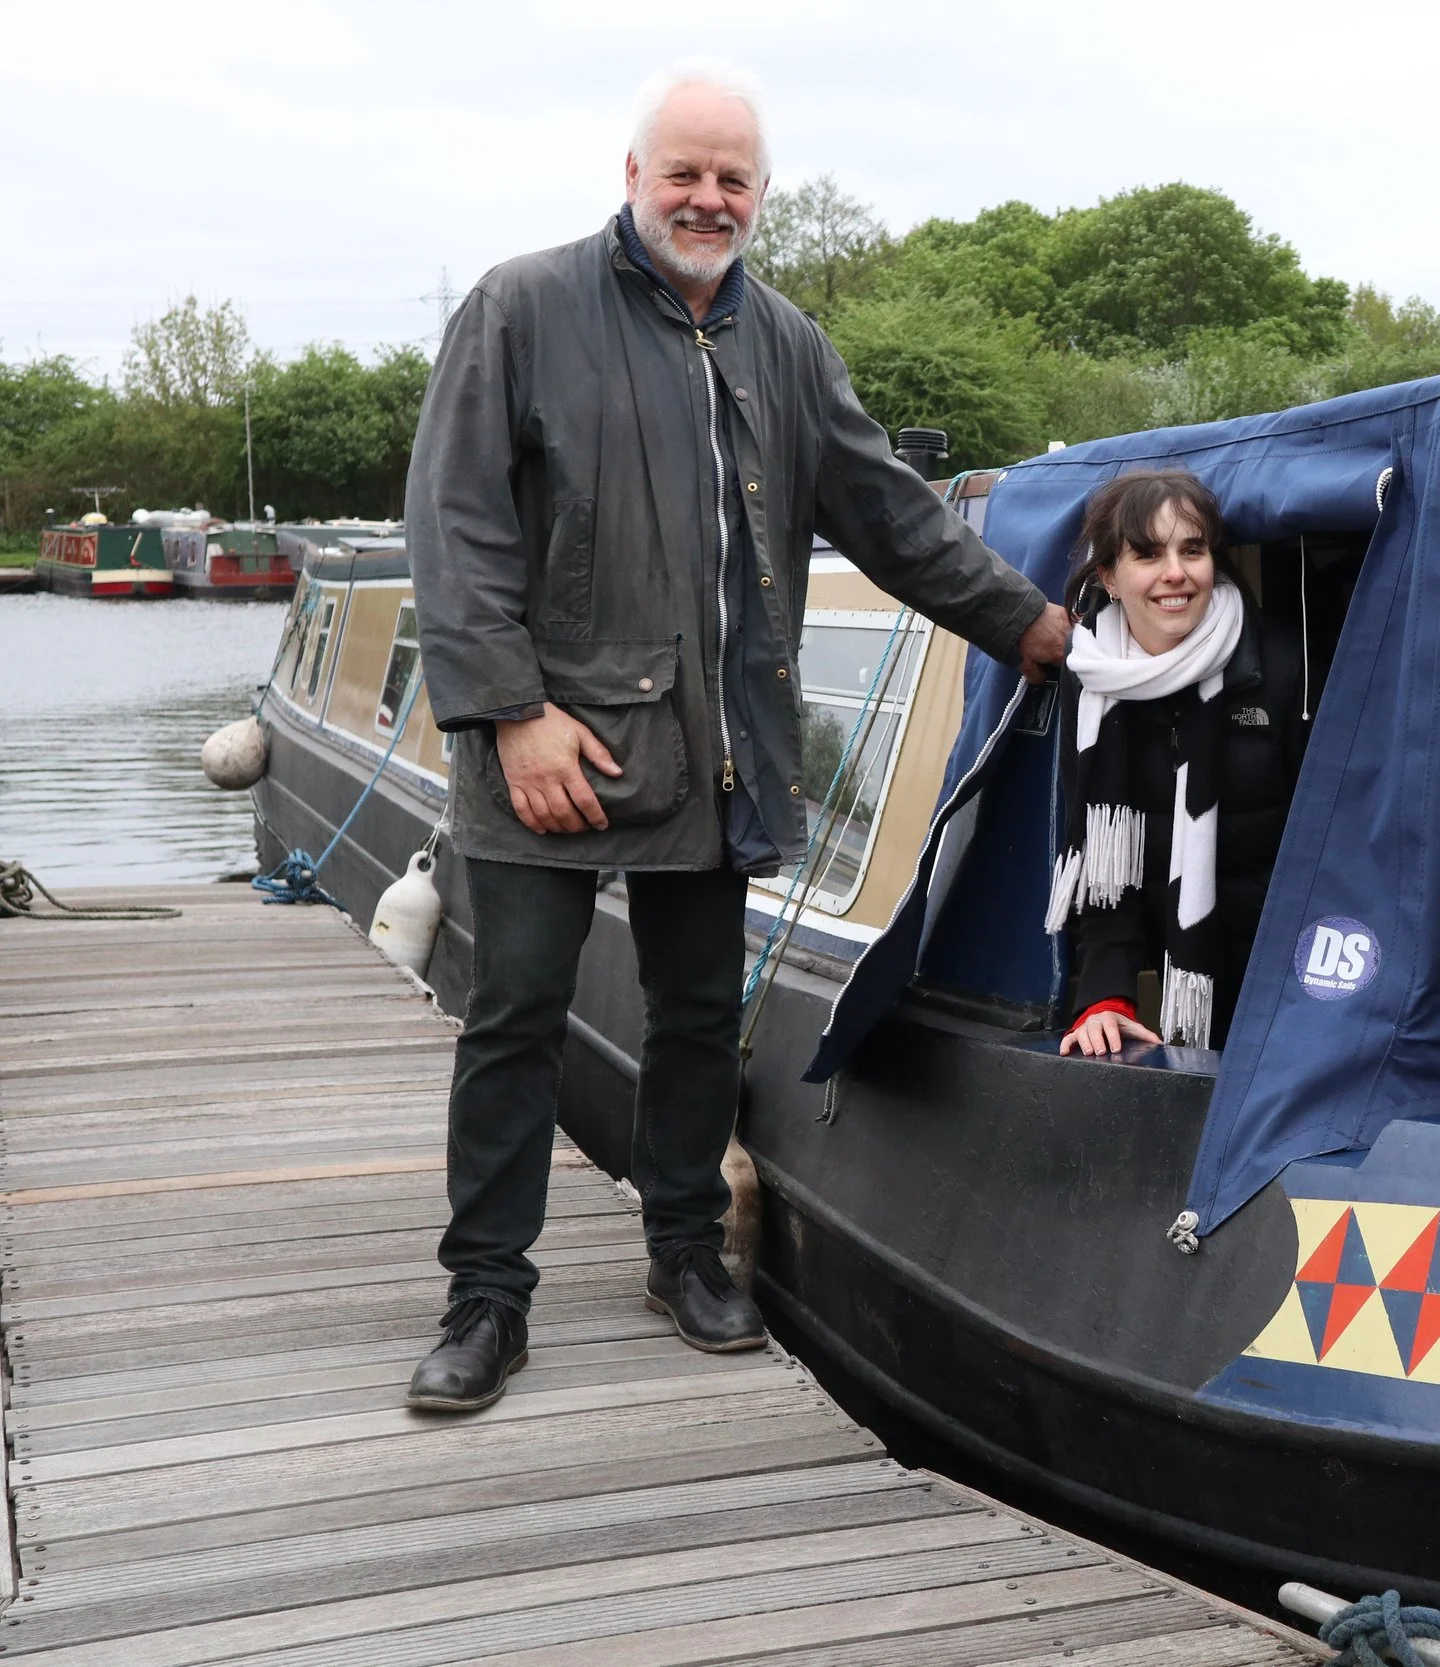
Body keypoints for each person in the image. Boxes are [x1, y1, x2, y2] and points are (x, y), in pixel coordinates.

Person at [401, 60, 1070, 1412]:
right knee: (517, 1014)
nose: (709, 198)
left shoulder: (790, 344)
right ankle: (485, 1294)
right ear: (633, 177)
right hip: (547, 745)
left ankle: (681, 1249)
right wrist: (513, 714)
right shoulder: (519, 307)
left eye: (734, 179)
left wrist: (1043, 632)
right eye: (686, 173)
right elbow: (455, 523)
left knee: (700, 1015)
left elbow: (892, 513)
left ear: (759, 195)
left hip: (715, 749)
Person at [1048, 470, 1301, 1057]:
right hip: (1171, 972)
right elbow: (1099, 860)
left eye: (1193, 550)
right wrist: (1105, 999)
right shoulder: (1087, 679)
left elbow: (1328, 844)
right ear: (1109, 576)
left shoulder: (1281, 662)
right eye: (1148, 553)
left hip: (1279, 973)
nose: (1176, 573)